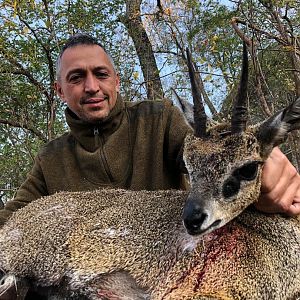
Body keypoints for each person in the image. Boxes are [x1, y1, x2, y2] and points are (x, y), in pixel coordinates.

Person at [0, 34, 300, 225]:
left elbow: (212, 153)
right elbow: (14, 214)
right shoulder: (51, 158)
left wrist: (262, 168)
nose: (92, 87)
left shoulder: (159, 119)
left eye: (100, 74)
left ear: (116, 81)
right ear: (60, 91)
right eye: (76, 78)